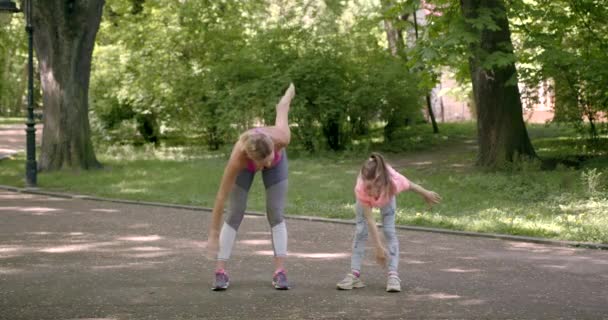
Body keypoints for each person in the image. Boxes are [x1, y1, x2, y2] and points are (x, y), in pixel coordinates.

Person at [206, 83, 295, 291]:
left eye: (268, 160)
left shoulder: (282, 138)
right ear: (252, 159)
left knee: (275, 211)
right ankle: (220, 271)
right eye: (262, 164)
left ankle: (280, 272)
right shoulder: (239, 158)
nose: (266, 166)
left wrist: (287, 97)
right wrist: (212, 234)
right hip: (245, 164)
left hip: (275, 155)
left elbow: (282, 110)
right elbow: (220, 197)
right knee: (235, 211)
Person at [336, 152, 441, 292]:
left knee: (389, 231)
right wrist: (378, 247)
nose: (368, 191)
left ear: (380, 182)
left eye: (370, 187)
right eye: (366, 186)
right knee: (361, 230)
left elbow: (410, 185)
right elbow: (370, 220)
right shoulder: (362, 189)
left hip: (387, 197)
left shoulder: (393, 182)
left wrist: (426, 193)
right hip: (365, 204)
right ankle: (354, 275)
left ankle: (393, 275)